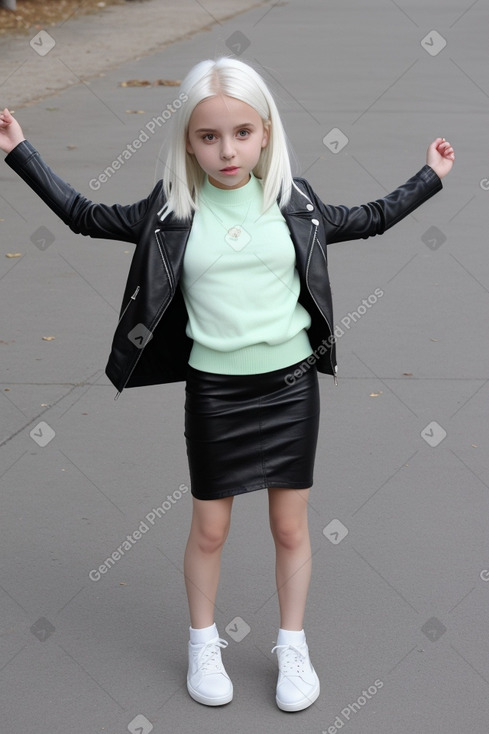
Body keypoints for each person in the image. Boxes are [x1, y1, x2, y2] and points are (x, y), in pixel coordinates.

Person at [0, 56, 454, 713]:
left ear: (265, 132)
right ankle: (201, 641)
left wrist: (430, 177)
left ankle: (291, 646)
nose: (227, 149)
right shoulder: (169, 211)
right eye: (208, 136)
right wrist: (20, 152)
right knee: (209, 529)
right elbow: (84, 215)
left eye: (241, 132)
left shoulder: (293, 201)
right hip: (216, 390)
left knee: (291, 529)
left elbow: (372, 216)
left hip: (292, 386)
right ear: (187, 140)